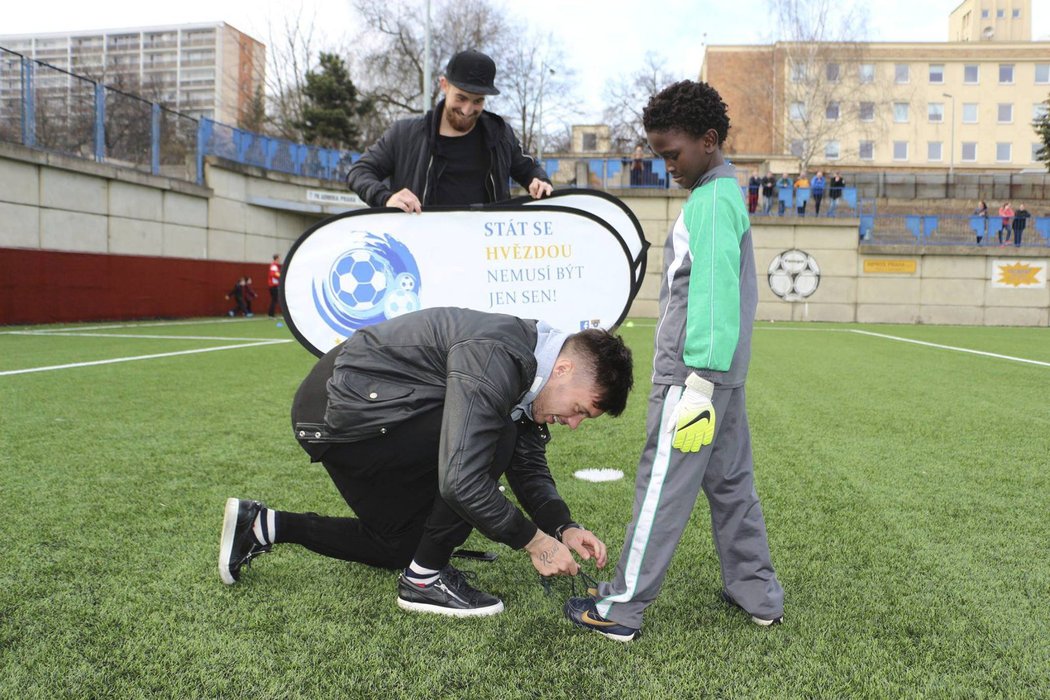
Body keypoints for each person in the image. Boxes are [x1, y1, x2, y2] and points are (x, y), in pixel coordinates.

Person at [219, 307, 634, 617]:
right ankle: (424, 581)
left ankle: (261, 525)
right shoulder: (500, 356)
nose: (574, 424)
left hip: (363, 412)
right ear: (562, 370)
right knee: (490, 441)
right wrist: (534, 541)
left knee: (404, 544)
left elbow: (526, 462)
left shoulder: (532, 368)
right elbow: (461, 480)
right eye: (579, 408)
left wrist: (563, 525)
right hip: (340, 409)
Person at [564, 80, 783, 642]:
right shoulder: (724, 194)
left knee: (660, 487)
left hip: (694, 380)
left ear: (708, 141)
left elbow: (712, 297)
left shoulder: (711, 202)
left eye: (672, 154)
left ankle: (619, 610)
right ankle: (757, 594)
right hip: (720, 380)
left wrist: (699, 387)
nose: (668, 167)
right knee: (732, 484)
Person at [346, 50, 552, 211]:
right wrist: (387, 198)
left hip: (484, 253)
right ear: (444, 85)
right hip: (422, 254)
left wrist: (540, 181)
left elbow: (530, 170)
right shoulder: (404, 135)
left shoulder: (500, 135)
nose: (467, 110)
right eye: (461, 98)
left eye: (478, 101)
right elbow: (359, 172)